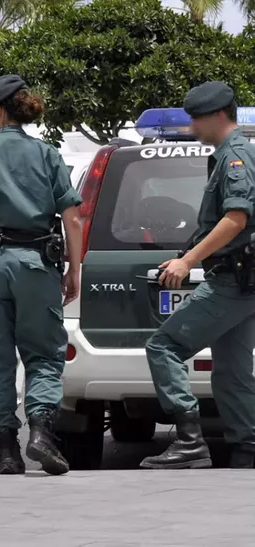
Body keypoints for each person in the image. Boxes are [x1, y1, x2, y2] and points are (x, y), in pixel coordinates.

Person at [0, 75, 83, 476]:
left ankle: (7, 449)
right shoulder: (47, 154)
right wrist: (75, 269)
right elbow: (72, 219)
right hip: (37, 265)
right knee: (43, 354)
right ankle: (41, 431)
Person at [140, 81, 255, 470]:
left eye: (196, 118)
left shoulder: (235, 155)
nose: (192, 126)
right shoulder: (231, 154)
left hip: (232, 282)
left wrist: (187, 261)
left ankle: (190, 441)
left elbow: (236, 219)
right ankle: (248, 448)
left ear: (217, 115)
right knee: (233, 372)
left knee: (163, 346)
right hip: (242, 282)